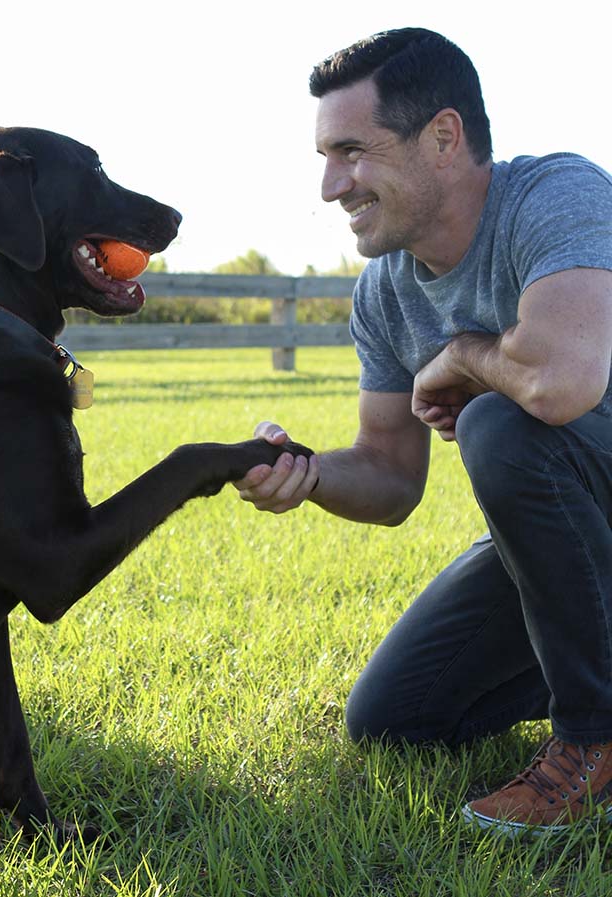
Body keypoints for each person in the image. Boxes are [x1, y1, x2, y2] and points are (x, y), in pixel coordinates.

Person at [235, 27, 612, 836]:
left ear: (443, 137)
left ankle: (593, 739)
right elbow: (389, 476)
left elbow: (562, 380)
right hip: (577, 544)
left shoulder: (557, 196)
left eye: (352, 151)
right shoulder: (382, 294)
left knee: (499, 424)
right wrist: (304, 472)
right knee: (392, 716)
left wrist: (467, 357)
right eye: (325, 158)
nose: (333, 184)